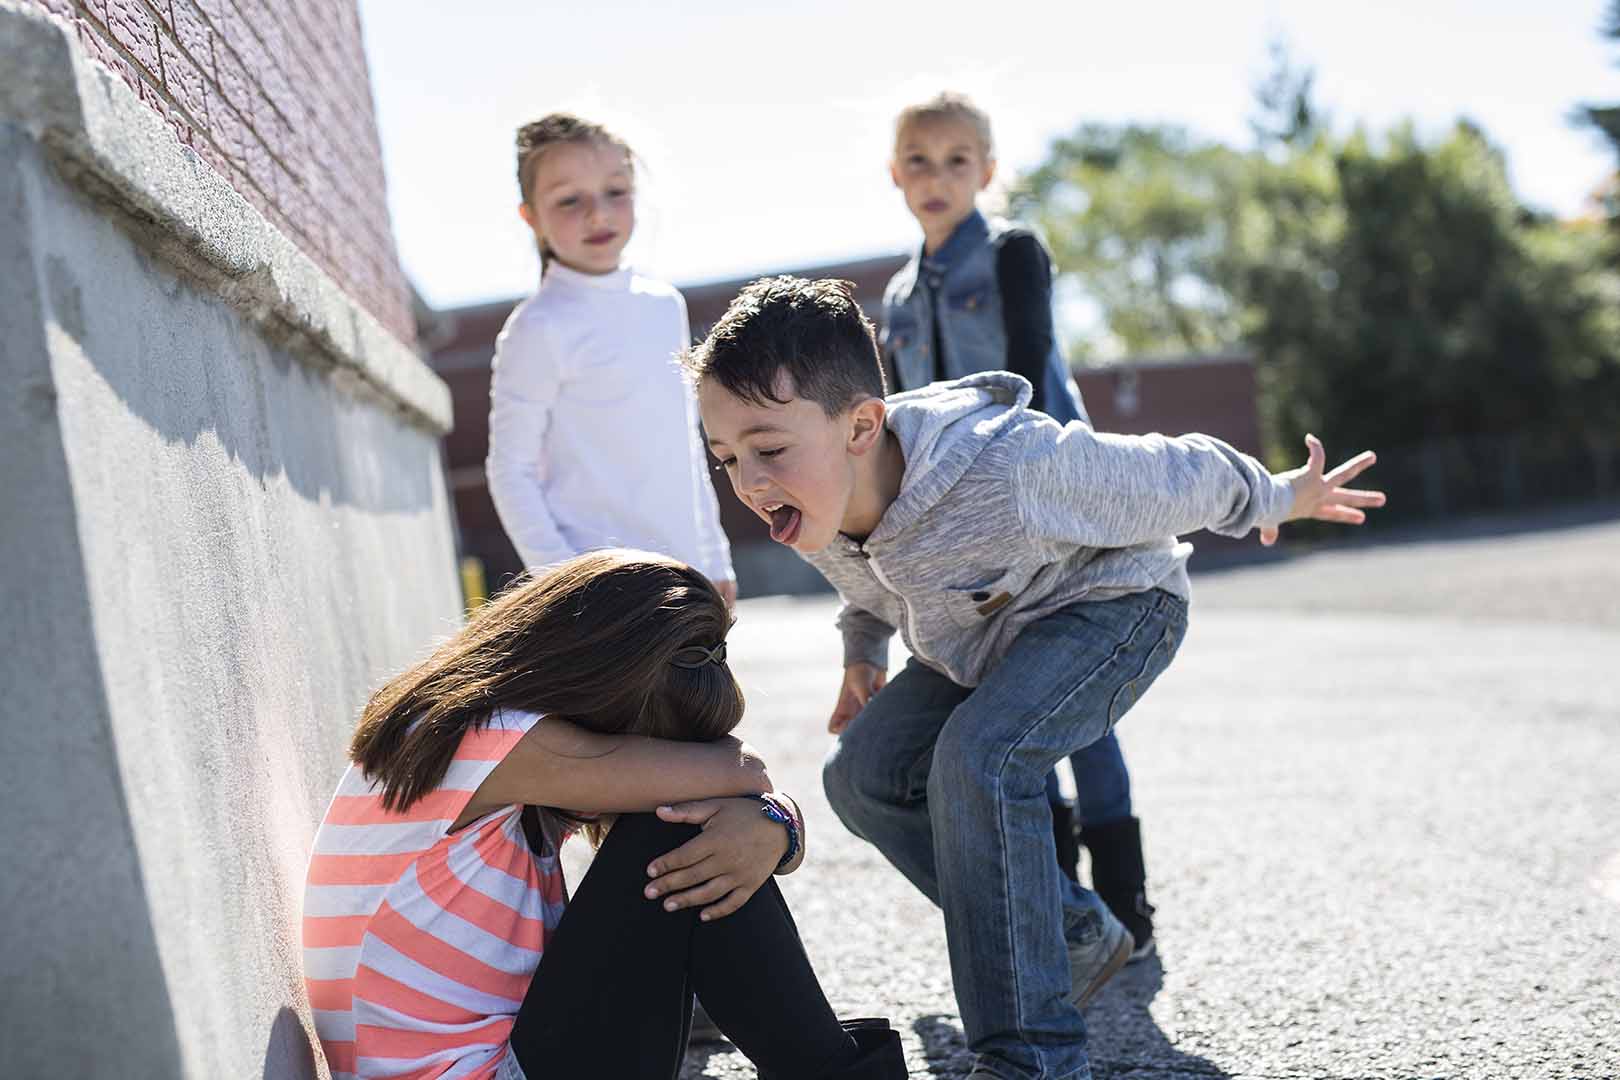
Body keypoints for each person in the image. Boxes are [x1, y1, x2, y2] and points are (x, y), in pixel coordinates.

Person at [685, 277, 1383, 1080]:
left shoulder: (1008, 468)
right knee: (862, 776)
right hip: (984, 637)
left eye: (767, 449)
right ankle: (1073, 935)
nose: (747, 480)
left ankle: (1034, 1056)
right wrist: (862, 656)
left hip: (1115, 609)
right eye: (726, 456)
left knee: (980, 759)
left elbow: (1169, 474)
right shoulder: (814, 499)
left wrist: (1277, 494)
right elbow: (870, 585)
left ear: (860, 426)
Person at [301, 550, 905, 1080]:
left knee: (697, 831)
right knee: (676, 827)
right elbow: (743, 775)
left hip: (503, 1059)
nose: (647, 764)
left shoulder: (477, 741)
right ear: (600, 688)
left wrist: (775, 826)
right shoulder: (489, 740)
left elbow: (748, 790)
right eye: (650, 745)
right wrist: (767, 815)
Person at [878, 91, 1151, 954]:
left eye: (958, 160)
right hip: (960, 530)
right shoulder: (894, 294)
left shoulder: (1012, 254)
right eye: (919, 160)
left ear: (987, 172)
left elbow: (1030, 372)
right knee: (1007, 704)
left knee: (1081, 708)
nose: (937, 176)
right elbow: (898, 418)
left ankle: (1127, 903)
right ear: (895, 173)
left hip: (1052, 505)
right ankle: (1067, 910)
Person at [486, 113, 736, 607]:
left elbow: (686, 446)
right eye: (569, 200)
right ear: (531, 217)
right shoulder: (538, 327)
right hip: (601, 594)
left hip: (687, 578)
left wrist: (715, 558)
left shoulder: (664, 305)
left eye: (615, 192)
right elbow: (509, 470)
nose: (598, 214)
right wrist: (566, 581)